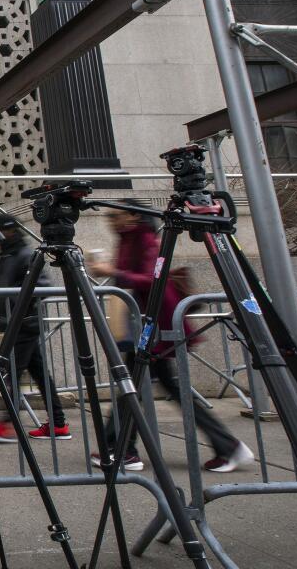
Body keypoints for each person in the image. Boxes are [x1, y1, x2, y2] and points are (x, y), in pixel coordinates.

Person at [88, 203, 252, 473]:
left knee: (134, 389)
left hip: (156, 326)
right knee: (141, 388)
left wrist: (112, 273)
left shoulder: (144, 238)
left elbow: (154, 278)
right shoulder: (130, 238)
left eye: (115, 216)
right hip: (147, 327)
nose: (111, 222)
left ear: (133, 216)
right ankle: (122, 448)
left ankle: (121, 449)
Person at [0, 214, 71, 442]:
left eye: (4, 230)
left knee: (13, 373)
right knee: (39, 373)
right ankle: (58, 423)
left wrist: (13, 302)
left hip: (25, 322)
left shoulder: (24, 254)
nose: (1, 235)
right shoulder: (8, 253)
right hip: (17, 322)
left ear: (12, 231)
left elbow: (42, 285)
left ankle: (6, 425)